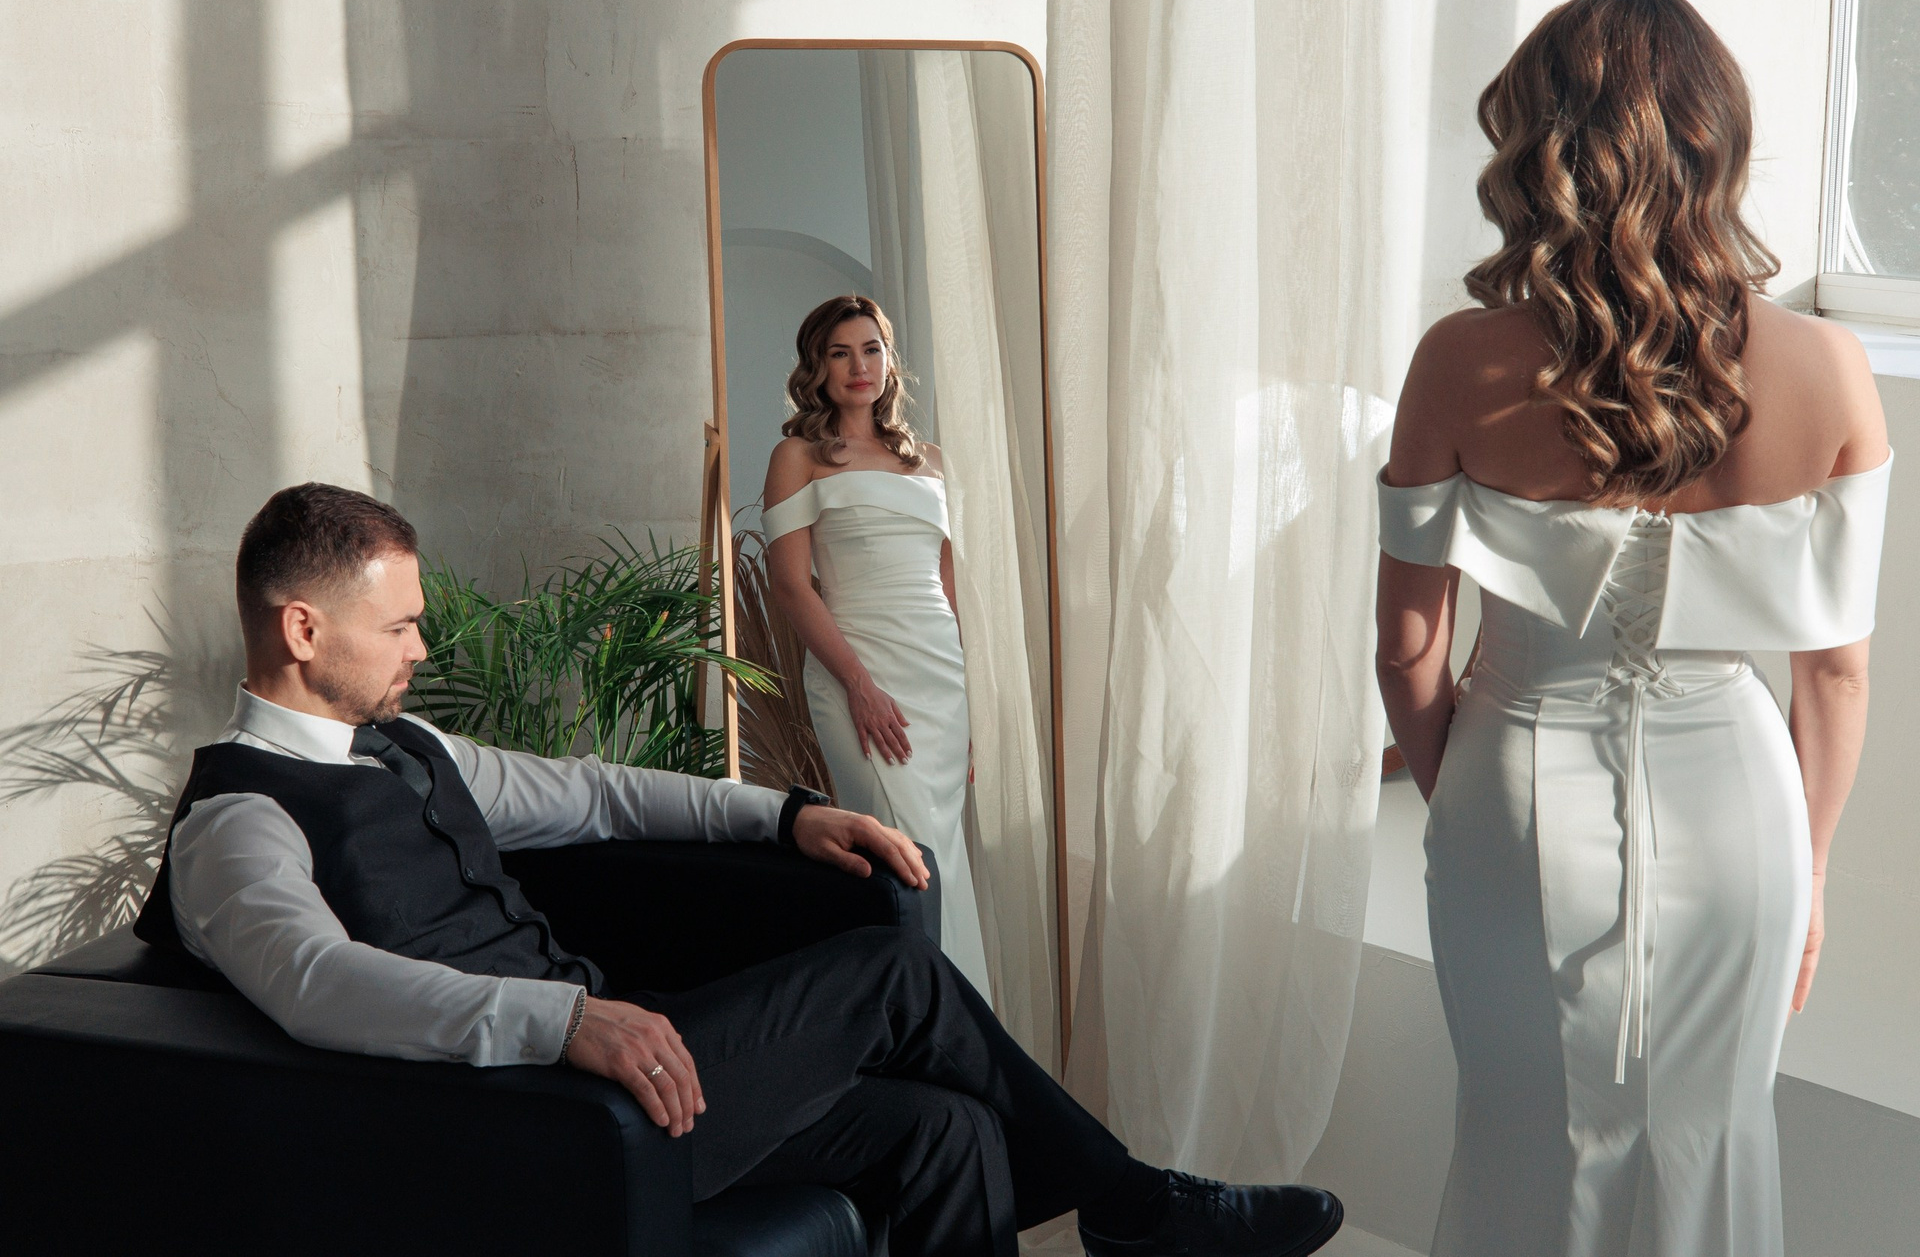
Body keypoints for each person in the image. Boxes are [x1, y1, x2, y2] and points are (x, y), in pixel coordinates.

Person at [134, 481, 1343, 1257]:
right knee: (892, 976)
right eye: (398, 625)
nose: (420, 644)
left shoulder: (410, 746)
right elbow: (318, 983)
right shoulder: (237, 820)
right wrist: (563, 1021)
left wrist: (786, 818)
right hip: (528, 1122)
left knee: (948, 1129)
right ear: (303, 629)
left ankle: (1127, 1205)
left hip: (618, 1078)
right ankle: (1134, 1205)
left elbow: (595, 791)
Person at [1375, 0, 1888, 1257]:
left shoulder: (1457, 361)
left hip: (1510, 778)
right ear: (1718, 142)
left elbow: (1408, 649)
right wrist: (1814, 867)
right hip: (1743, 805)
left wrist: (1469, 798)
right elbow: (1834, 674)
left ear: (1538, 148)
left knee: (1521, 1134)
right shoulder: (1830, 370)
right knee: (1714, 1131)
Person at [761, 294, 992, 997]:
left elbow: (950, 588)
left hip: (939, 678)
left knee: (941, 855)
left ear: (890, 362)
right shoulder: (798, 457)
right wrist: (860, 686)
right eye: (840, 353)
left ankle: (959, 1022)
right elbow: (791, 586)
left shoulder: (931, 461)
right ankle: (916, 1014)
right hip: (856, 669)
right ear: (817, 367)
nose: (858, 366)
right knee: (899, 855)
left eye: (871, 349)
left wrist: (974, 704)